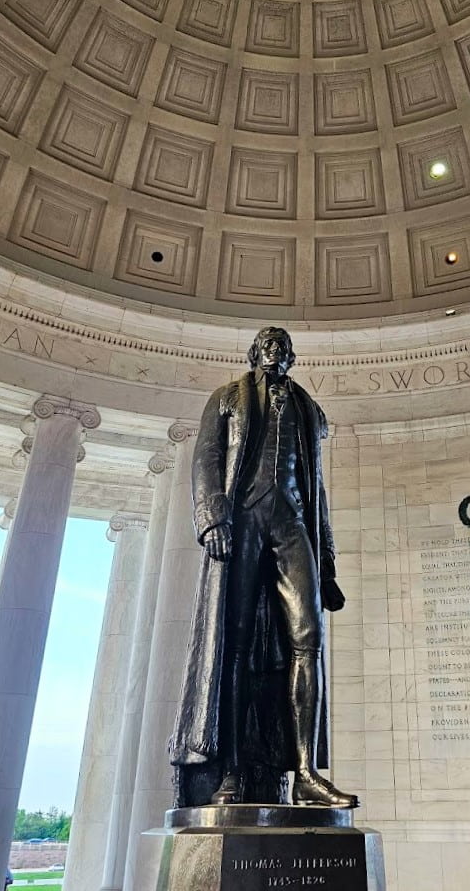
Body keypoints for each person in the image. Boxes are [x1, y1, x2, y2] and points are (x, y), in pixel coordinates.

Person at [169, 327, 358, 809]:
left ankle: (305, 773)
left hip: (293, 523)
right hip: (244, 517)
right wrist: (212, 518)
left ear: (292, 357)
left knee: (308, 639)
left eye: (283, 347)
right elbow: (207, 459)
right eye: (268, 346)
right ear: (254, 354)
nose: (276, 352)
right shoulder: (227, 397)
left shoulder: (307, 409)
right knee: (233, 645)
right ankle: (230, 771)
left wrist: (328, 563)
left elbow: (317, 489)